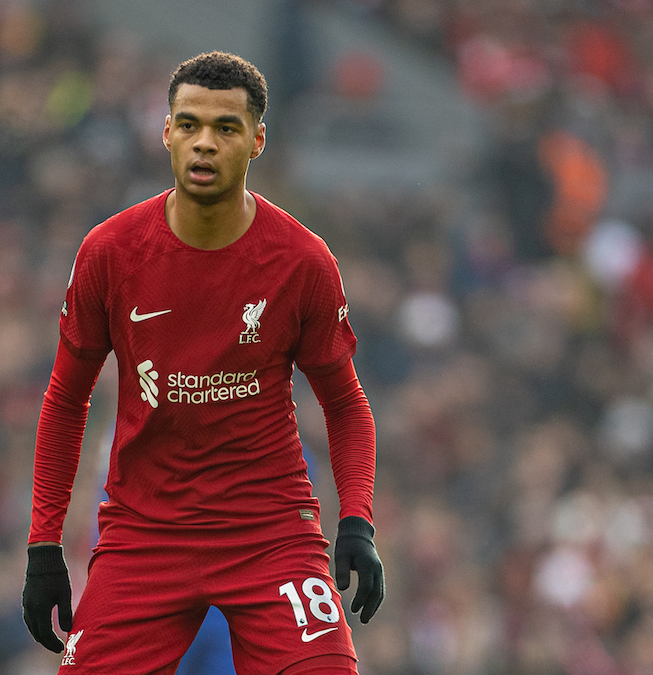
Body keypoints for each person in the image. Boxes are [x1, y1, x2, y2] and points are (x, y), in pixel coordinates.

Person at [21, 51, 384, 675]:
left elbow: (346, 404)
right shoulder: (109, 252)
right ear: (166, 133)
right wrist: (43, 545)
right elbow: (65, 399)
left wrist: (357, 520)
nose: (204, 144)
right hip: (145, 534)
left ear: (257, 140)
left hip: (269, 534)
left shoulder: (302, 261)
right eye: (188, 125)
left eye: (226, 128)